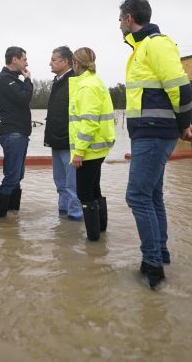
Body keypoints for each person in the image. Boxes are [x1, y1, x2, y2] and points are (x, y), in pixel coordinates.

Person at [119, 0, 192, 289]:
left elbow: (181, 89)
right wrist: (182, 125)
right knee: (151, 196)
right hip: (149, 133)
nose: (119, 24)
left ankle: (152, 266)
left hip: (153, 133)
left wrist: (184, 125)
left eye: (120, 19)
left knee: (137, 196)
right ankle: (160, 255)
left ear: (129, 18)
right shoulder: (142, 47)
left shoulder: (156, 44)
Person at [69, 47, 116, 241]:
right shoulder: (95, 82)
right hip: (98, 148)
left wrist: (79, 151)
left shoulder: (87, 86)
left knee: (84, 193)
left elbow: (89, 122)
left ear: (76, 64)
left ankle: (93, 239)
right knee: (94, 189)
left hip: (89, 149)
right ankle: (100, 233)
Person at [0, 46, 33, 217]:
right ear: (14, 59)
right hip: (13, 134)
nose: (27, 63)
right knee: (11, 178)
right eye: (24, 59)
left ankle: (12, 218)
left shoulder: (12, 79)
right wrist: (28, 80)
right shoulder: (4, 79)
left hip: (20, 134)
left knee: (17, 178)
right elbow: (24, 98)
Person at [44, 46, 82, 221]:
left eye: (53, 60)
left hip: (69, 142)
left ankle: (75, 219)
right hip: (55, 140)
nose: (50, 63)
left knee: (72, 185)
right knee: (60, 183)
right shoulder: (57, 81)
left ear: (66, 61)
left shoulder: (75, 81)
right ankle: (63, 217)